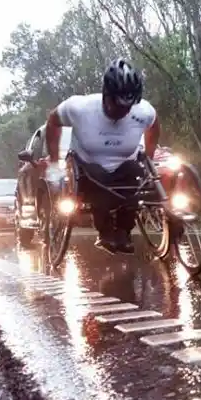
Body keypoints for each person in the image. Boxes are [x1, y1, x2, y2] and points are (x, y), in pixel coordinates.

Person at [43, 58, 160, 254]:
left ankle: (124, 231)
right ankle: (105, 231)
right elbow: (53, 122)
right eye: (118, 106)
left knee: (136, 178)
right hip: (89, 166)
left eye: (127, 107)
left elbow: (154, 126)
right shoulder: (80, 108)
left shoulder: (143, 111)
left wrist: (148, 157)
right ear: (106, 95)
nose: (122, 112)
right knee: (98, 179)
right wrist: (54, 163)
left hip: (125, 164)